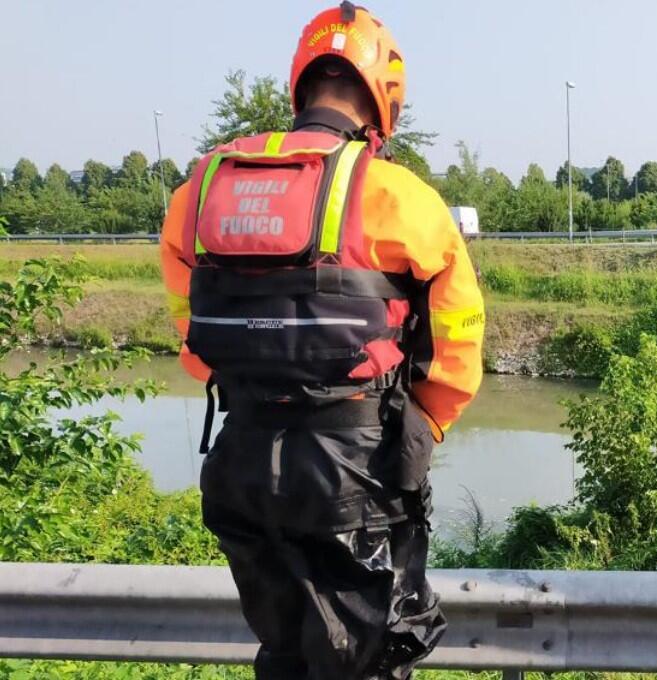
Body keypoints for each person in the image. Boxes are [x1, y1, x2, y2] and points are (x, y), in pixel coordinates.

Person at [159, 3, 485, 678]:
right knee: (367, 660)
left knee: (284, 654)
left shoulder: (202, 190)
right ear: (382, 98)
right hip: (354, 469)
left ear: (301, 82)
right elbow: (456, 344)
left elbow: (193, 342)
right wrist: (415, 433)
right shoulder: (401, 196)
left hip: (240, 463)